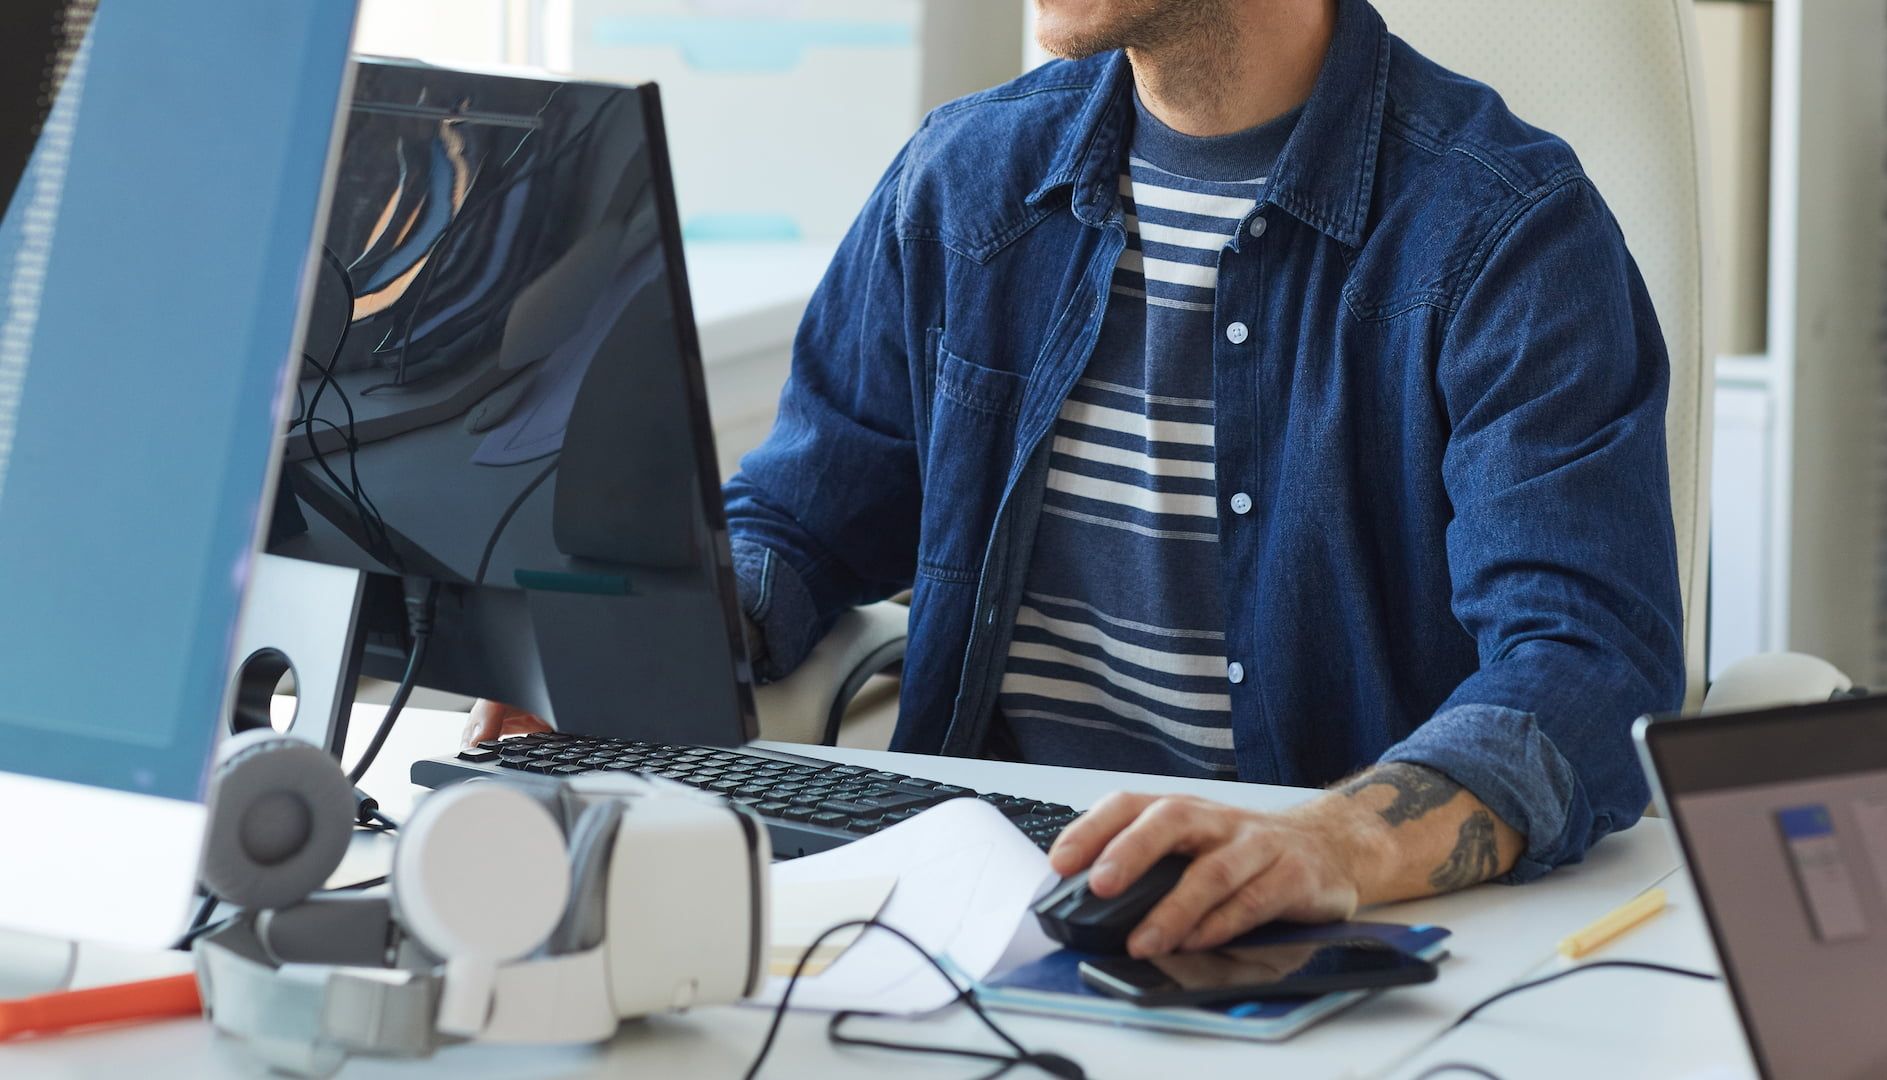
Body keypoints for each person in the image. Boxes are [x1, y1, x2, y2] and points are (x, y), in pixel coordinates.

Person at [472, 0, 1684, 960]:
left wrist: (1336, 842)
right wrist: (629, 656)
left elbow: (1582, 663)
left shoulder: (1507, 234)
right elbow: (802, 514)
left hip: (1317, 922)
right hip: (973, 900)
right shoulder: (964, 180)